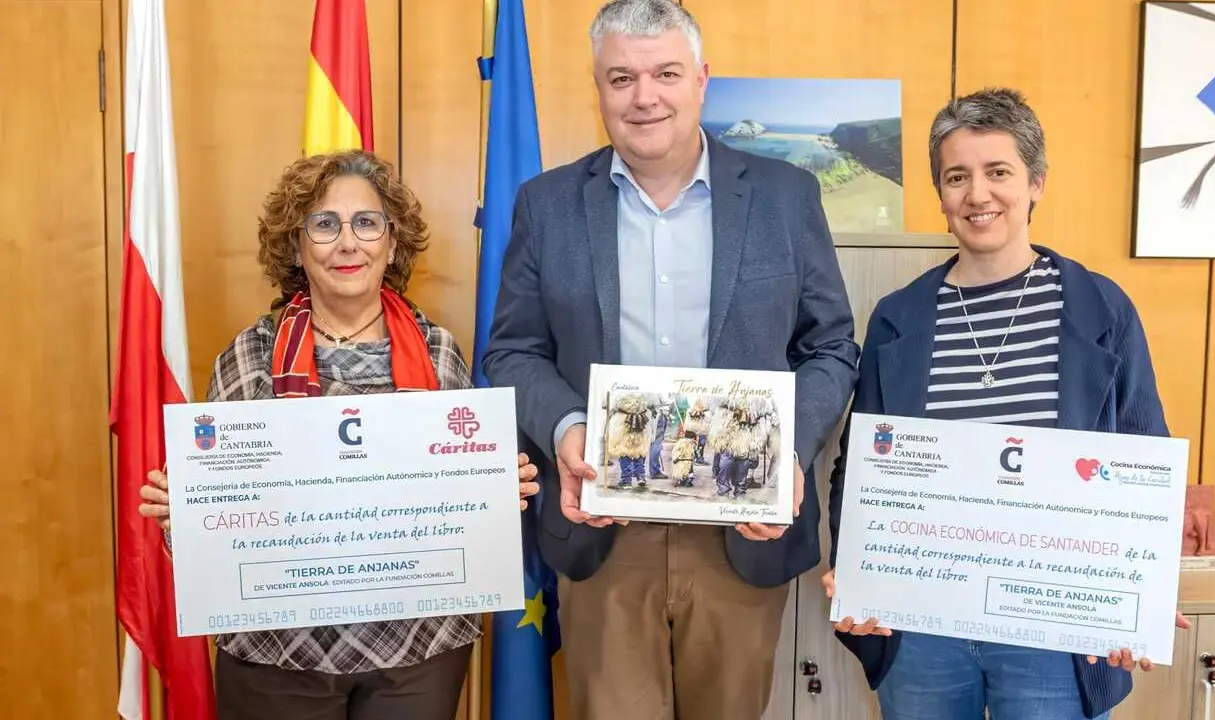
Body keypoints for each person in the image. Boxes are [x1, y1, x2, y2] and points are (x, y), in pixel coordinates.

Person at [482, 1, 859, 717]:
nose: (644, 96)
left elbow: (831, 347)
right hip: (601, 530)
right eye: (621, 77)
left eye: (665, 73)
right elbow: (514, 349)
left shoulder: (785, 197)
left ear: (702, 80)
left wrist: (786, 453)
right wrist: (567, 429)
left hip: (741, 535)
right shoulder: (547, 204)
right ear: (598, 87)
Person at [823, 87, 1191, 720]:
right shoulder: (898, 318)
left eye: (999, 172)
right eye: (957, 176)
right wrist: (858, 573)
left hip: (1056, 631)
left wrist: (1140, 596)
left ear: (1036, 183)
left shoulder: (1102, 309)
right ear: (940, 195)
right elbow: (859, 469)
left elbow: (1142, 459)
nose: (978, 194)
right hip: (923, 625)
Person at [136, 149, 540, 720]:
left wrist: (496, 493)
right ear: (295, 246)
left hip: (419, 649)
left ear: (392, 242)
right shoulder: (248, 360)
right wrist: (189, 516)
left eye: (367, 222)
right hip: (276, 654)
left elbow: (461, 506)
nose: (348, 243)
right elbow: (218, 531)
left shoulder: (439, 353)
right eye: (323, 224)